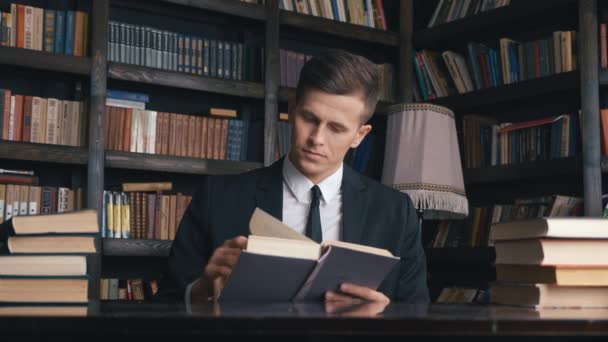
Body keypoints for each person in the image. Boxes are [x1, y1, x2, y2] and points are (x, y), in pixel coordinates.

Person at [157, 49, 430, 304]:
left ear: (360, 135)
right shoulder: (218, 197)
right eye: (309, 118)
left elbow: (417, 317)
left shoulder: (397, 212)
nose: (317, 139)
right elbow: (166, 304)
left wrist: (383, 316)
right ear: (291, 109)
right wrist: (203, 289)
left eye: (336, 128)